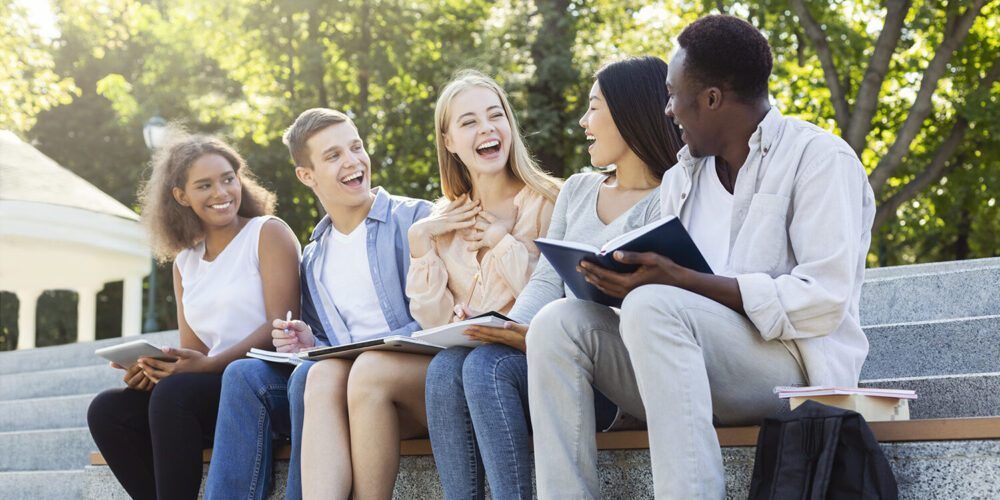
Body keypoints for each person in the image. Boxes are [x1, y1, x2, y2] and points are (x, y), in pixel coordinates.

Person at [527, 15, 876, 499]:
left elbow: (824, 300)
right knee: (557, 322)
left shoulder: (818, 160)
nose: (667, 109)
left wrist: (678, 281)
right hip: (686, 361)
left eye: (673, 94)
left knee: (656, 303)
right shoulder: (681, 180)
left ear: (711, 99)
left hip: (790, 368)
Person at [425, 57, 684, 499]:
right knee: (446, 367)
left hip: (618, 372)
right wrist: (505, 326)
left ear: (628, 112)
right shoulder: (580, 190)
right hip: (555, 355)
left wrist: (529, 337)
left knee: (488, 368)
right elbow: (546, 281)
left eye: (594, 108)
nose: (584, 121)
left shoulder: (673, 195)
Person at [203, 109, 432, 500]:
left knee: (364, 370)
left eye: (356, 148)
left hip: (415, 387)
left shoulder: (415, 219)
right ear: (306, 175)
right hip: (351, 396)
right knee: (319, 374)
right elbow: (330, 341)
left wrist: (362, 355)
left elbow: (437, 319)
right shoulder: (314, 258)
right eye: (333, 156)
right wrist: (309, 339)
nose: (353, 161)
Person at [87, 133, 301, 500]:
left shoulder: (266, 233)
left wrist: (206, 366)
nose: (221, 192)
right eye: (204, 185)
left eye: (228, 178)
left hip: (268, 382)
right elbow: (194, 350)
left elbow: (281, 326)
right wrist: (156, 369)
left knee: (176, 394)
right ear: (181, 196)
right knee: (108, 410)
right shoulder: (185, 261)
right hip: (211, 385)